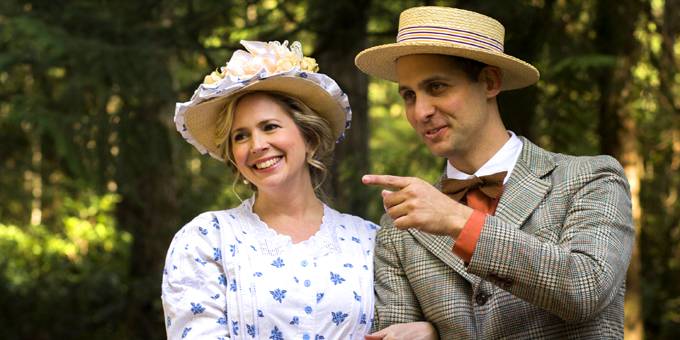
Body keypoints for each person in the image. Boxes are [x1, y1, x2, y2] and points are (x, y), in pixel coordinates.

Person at [355, 6, 634, 339]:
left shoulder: (589, 178)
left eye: (438, 87)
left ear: (490, 82)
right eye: (409, 95)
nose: (421, 111)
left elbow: (587, 287)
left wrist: (459, 221)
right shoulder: (400, 226)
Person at [162, 40, 380, 340]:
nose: (257, 146)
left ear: (309, 138)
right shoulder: (206, 239)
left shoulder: (368, 240)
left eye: (270, 127)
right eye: (241, 136)